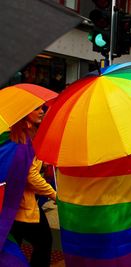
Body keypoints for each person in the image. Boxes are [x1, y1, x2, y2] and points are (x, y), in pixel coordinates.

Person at [0, 106, 57, 267]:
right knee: (44, 241)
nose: (41, 111)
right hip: (23, 205)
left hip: (14, 205)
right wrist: (54, 195)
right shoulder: (22, 140)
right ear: (24, 113)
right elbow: (29, 176)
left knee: (11, 246)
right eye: (36, 109)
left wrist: (41, 162)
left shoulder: (21, 136)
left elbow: (26, 166)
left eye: (42, 108)